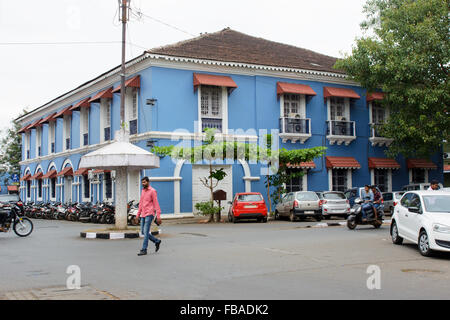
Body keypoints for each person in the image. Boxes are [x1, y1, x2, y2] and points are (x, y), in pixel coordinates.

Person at [136, 177, 162, 256]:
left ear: (148, 182)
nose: (143, 184)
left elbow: (156, 204)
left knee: (146, 232)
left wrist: (158, 216)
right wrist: (137, 215)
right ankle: (156, 241)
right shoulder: (143, 191)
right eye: (142, 182)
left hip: (150, 213)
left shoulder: (153, 191)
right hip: (143, 214)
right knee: (143, 232)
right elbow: (141, 203)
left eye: (144, 182)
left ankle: (144, 249)